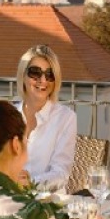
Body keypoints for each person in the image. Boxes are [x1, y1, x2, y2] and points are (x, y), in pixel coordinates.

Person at [15, 44, 76, 188]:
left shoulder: (66, 118)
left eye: (49, 74)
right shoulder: (8, 115)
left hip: (47, 199)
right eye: (35, 72)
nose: (43, 80)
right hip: (9, 196)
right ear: (23, 75)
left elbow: (61, 173)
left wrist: (31, 183)